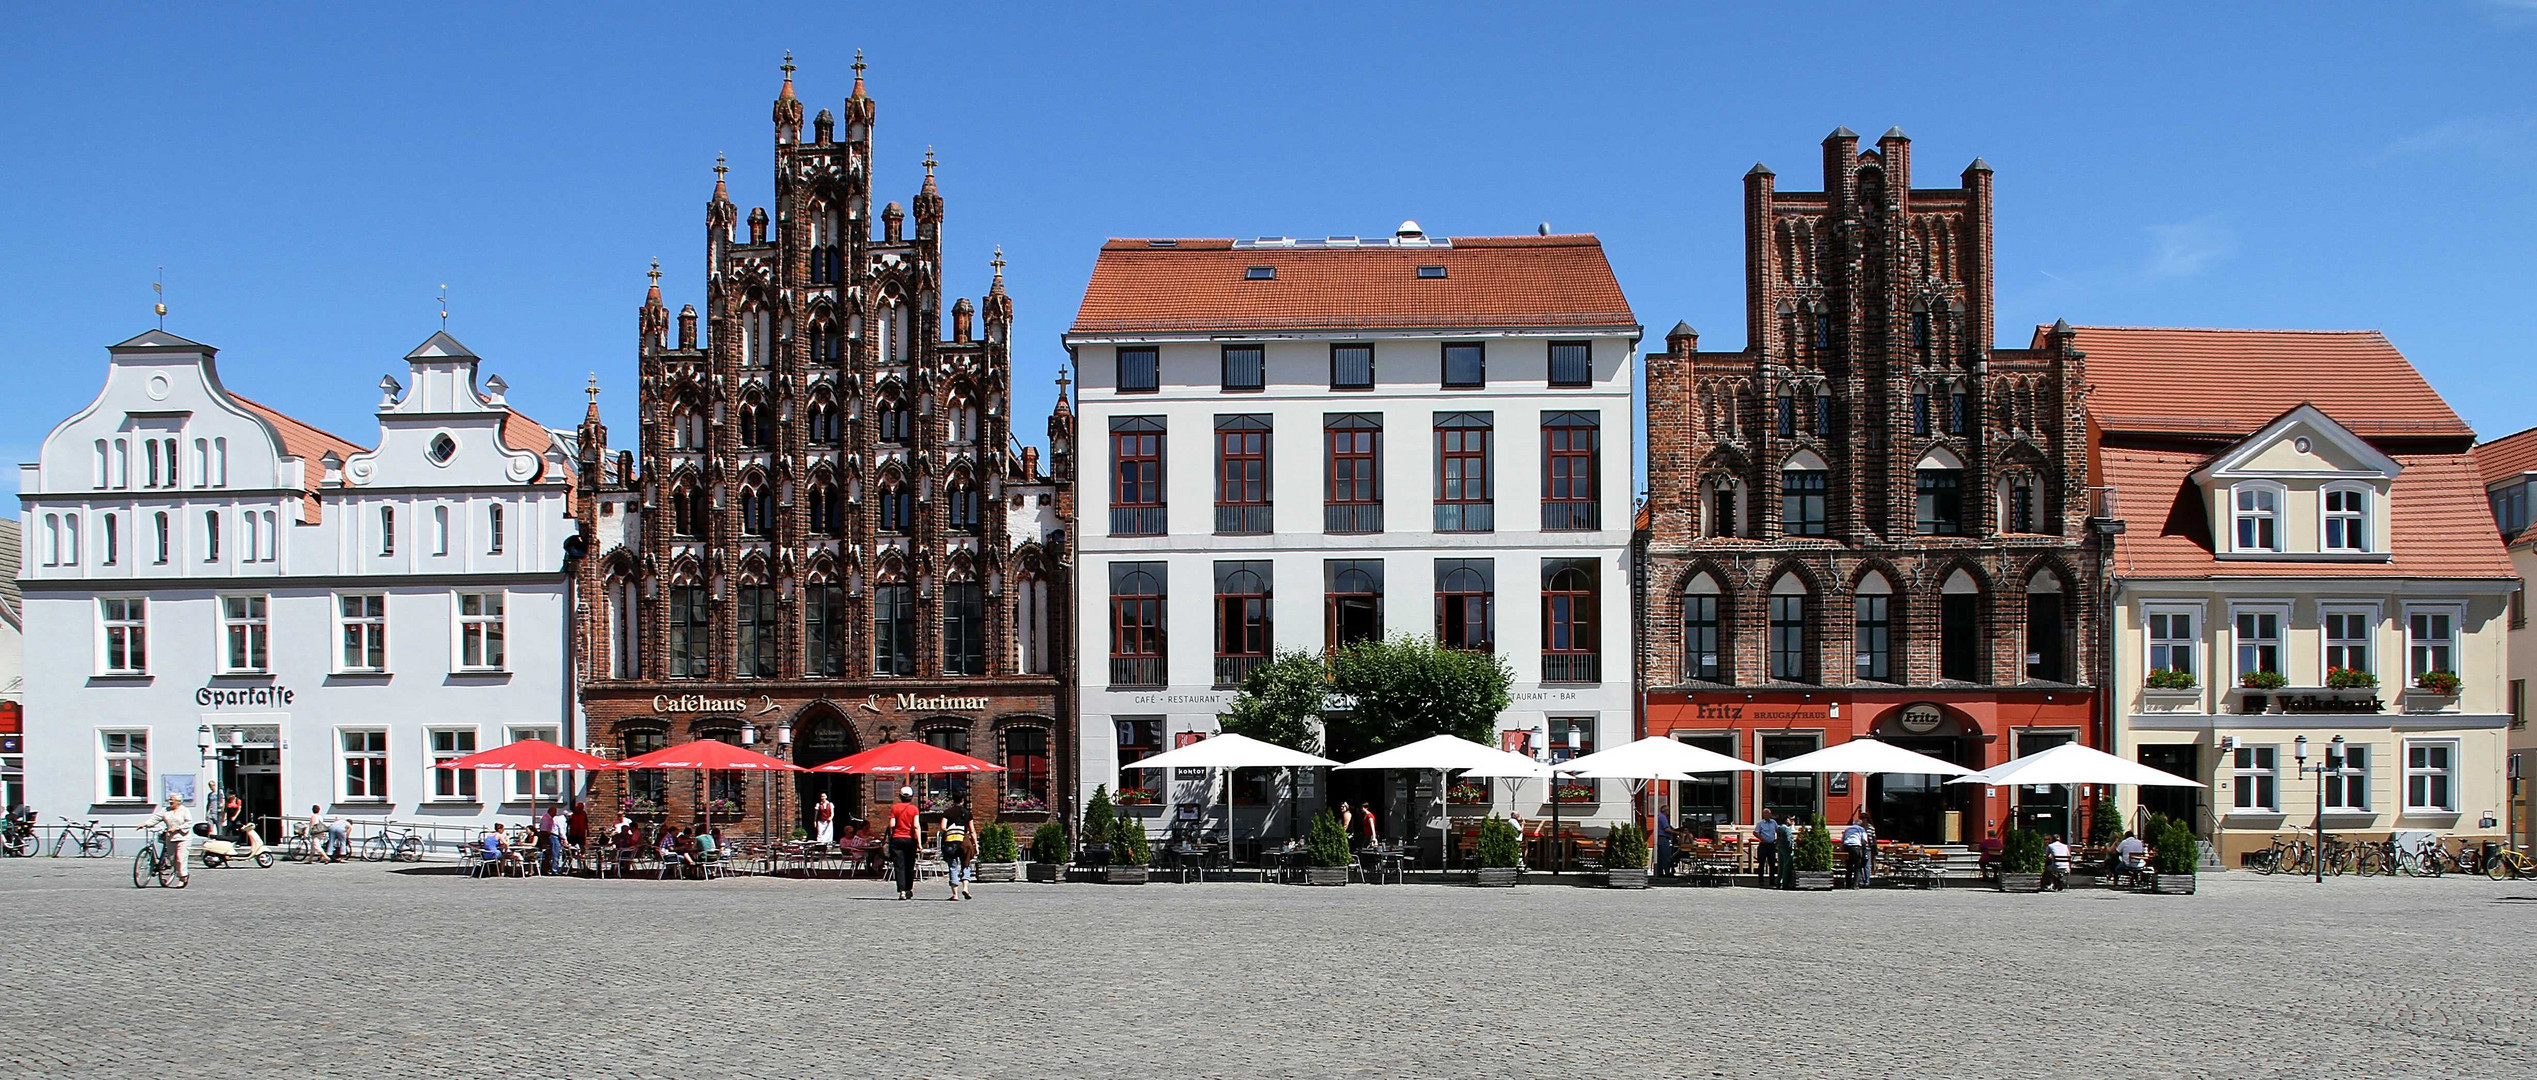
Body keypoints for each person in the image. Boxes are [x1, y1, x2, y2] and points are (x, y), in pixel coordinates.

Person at [143, 794, 194, 883]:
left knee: (180, 858)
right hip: (170, 837)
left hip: (183, 837)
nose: (170, 801)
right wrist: (145, 824)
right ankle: (179, 872)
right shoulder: (166, 811)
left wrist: (177, 828)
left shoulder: (184, 810)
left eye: (172, 800)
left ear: (178, 801)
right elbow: (156, 818)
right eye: (169, 800)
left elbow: (188, 823)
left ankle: (183, 877)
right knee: (172, 859)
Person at [888, 786, 920, 900]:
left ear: (900, 796)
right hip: (910, 839)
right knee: (910, 865)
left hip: (897, 838)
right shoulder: (914, 809)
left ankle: (901, 891)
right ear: (911, 797)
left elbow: (892, 824)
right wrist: (919, 843)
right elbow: (916, 826)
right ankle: (909, 889)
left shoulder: (895, 808)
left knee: (899, 866)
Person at [939, 800, 973, 901]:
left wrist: (950, 831)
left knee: (953, 867)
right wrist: (975, 844)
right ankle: (966, 888)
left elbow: (942, 827)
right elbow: (972, 830)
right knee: (966, 864)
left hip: (950, 842)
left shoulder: (947, 812)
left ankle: (955, 895)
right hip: (964, 842)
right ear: (963, 800)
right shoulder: (967, 813)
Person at [1753, 809, 1782, 887]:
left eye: (1768, 813)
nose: (1767, 815)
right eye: (1765, 814)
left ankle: (1772, 881)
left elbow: (1778, 831)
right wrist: (1761, 838)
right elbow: (1755, 832)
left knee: (1772, 863)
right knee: (1761, 863)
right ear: (1763, 815)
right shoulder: (1760, 823)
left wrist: (1777, 839)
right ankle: (1761, 880)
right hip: (1763, 845)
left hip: (1771, 844)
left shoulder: (1774, 822)